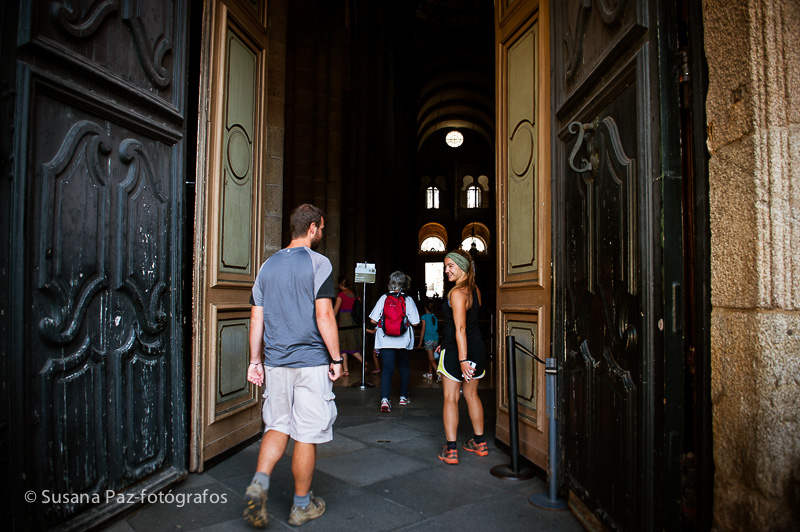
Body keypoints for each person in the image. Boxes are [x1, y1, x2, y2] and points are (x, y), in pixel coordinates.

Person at [243, 204, 342, 528]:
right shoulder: (319, 263)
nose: (322, 234)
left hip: (276, 362)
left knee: (277, 425)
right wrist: (337, 358)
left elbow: (256, 318)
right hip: (311, 363)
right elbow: (324, 314)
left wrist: (255, 361)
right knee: (306, 434)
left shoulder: (267, 266)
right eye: (322, 228)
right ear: (313, 228)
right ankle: (301, 506)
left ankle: (259, 482)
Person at [436, 249, 487, 465]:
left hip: (459, 351)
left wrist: (462, 360)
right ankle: (480, 443)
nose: (446, 270)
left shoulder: (456, 293)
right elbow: (469, 323)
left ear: (463, 267)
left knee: (451, 398)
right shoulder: (475, 290)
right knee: (472, 395)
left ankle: (451, 451)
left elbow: (461, 329)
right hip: (477, 348)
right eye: (445, 266)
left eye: (450, 266)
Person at [368, 271, 420, 412]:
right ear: (404, 284)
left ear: (390, 283)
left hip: (385, 340)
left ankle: (385, 400)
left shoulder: (384, 298)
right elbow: (416, 323)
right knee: (404, 367)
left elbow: (372, 320)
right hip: (404, 340)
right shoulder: (408, 299)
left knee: (387, 370)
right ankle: (403, 397)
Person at [333, 276, 363, 375]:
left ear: (341, 285)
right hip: (353, 321)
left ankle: (346, 370)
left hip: (344, 321)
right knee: (352, 343)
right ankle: (363, 362)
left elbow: (336, 310)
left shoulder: (341, 295)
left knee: (343, 346)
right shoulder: (355, 295)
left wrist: (330, 320)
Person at [416, 299, 440, 380]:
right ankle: (430, 373)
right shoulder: (434, 317)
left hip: (428, 339)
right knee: (432, 356)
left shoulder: (424, 317)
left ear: (425, 308)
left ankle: (439, 374)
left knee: (431, 358)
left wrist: (420, 342)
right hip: (435, 339)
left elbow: (423, 330)